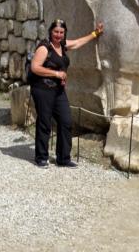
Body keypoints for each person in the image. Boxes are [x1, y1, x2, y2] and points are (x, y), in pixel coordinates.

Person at [29, 19, 104, 168]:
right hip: (43, 90)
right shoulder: (44, 47)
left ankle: (63, 158)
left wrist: (95, 33)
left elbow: (77, 43)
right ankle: (41, 157)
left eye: (61, 32)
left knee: (66, 121)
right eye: (56, 32)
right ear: (50, 31)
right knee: (44, 122)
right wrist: (56, 74)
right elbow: (35, 67)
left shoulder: (62, 45)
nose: (58, 35)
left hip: (58, 90)